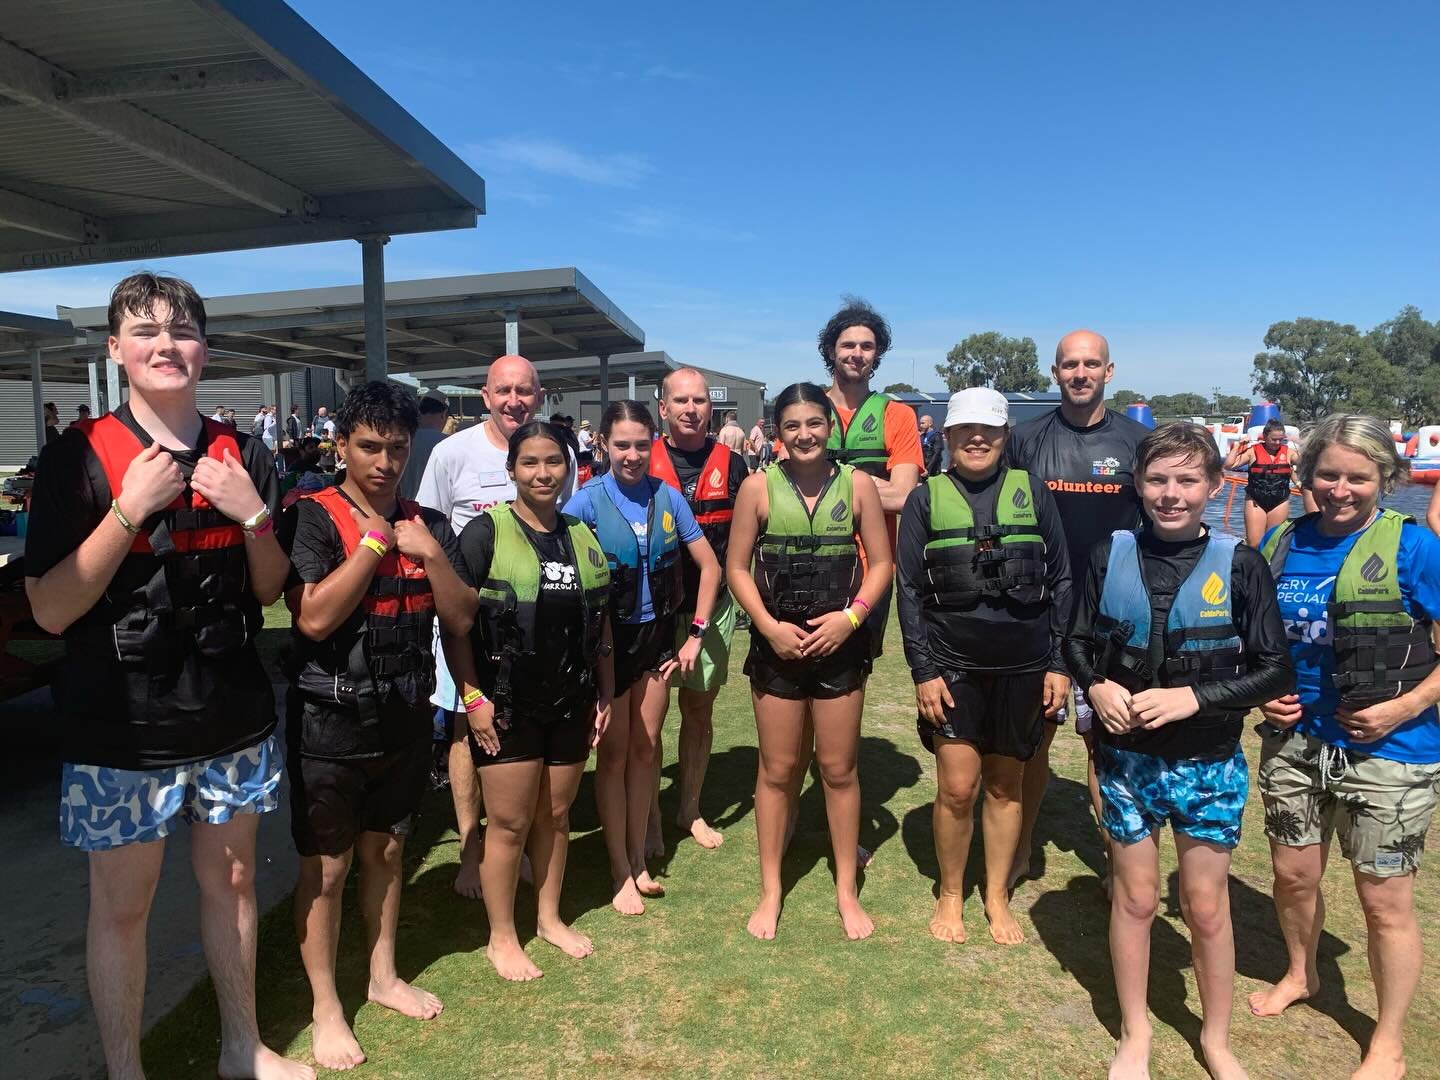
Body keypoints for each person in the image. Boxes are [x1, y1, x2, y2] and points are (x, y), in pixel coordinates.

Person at [24, 272, 310, 1080]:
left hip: (229, 714)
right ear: (115, 350)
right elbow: (48, 608)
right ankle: (126, 1070)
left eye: (181, 330)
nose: (165, 344)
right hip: (119, 726)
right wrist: (127, 510)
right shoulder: (74, 457)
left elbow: (266, 590)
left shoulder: (245, 453)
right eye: (144, 331)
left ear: (204, 350)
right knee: (122, 907)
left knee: (236, 881)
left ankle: (241, 1049)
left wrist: (253, 512)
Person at [1065, 422, 1292, 1080]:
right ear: (1138, 485)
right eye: (1158, 480)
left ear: (1214, 486)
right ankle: (1135, 1034)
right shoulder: (1110, 555)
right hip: (1127, 761)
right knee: (1135, 900)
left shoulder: (1242, 565)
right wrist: (1097, 683)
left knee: (1204, 905)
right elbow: (1078, 640)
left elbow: (1274, 670)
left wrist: (1197, 698)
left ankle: (1216, 1039)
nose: (1171, 494)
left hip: (1208, 763)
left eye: (1187, 480)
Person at [282, 382, 475, 1070]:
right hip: (329, 722)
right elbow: (312, 617)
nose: (385, 462)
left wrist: (428, 553)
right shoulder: (311, 516)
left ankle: (383, 974)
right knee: (327, 869)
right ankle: (326, 1005)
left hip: (404, 714)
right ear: (342, 446)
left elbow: (459, 617)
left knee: (388, 853)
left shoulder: (427, 524)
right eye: (369, 447)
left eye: (397, 448)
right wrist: (371, 544)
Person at [1250, 414, 1440, 1080]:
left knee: (1383, 899)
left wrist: (1406, 706)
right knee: (1293, 877)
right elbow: (1256, 639)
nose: (1340, 489)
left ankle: (1387, 1041)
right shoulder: (1279, 542)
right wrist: (1262, 692)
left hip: (1392, 749)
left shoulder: (1416, 550)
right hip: (1294, 743)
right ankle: (1302, 974)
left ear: (1383, 479)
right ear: (1307, 476)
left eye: (1357, 476)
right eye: (1328, 474)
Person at [897, 388, 1072, 946]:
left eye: (990, 430)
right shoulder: (926, 500)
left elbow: (1063, 580)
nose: (978, 438)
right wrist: (923, 671)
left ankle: (995, 894)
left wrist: (1060, 663)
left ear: (1005, 436)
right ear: (946, 437)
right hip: (951, 665)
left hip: (1024, 665)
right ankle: (951, 893)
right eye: (965, 429)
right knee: (956, 786)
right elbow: (908, 591)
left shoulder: (1034, 492)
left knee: (1006, 784)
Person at [443, 421, 615, 980]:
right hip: (506, 703)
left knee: (558, 816)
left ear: (570, 469)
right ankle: (501, 936)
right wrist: (472, 698)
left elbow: (601, 622)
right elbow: (457, 625)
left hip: (571, 698)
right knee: (510, 824)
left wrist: (605, 692)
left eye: (555, 463)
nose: (544, 474)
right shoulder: (484, 533)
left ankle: (548, 917)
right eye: (530, 463)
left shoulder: (580, 534)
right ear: (512, 470)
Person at [726, 382, 893, 941]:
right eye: (792, 425)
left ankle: (847, 890)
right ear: (777, 433)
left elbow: (880, 566)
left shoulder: (860, 485)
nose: (804, 435)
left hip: (838, 644)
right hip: (777, 645)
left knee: (839, 770)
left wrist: (852, 618)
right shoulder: (757, 487)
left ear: (831, 427)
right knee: (776, 772)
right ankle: (771, 890)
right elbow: (737, 569)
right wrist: (768, 628)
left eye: (814, 424)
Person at [417, 354, 575, 899]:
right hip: (467, 628)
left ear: (540, 395)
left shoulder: (556, 453)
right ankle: (470, 849)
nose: (514, 400)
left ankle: (522, 843)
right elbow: (430, 532)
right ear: (484, 396)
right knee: (465, 724)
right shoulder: (450, 453)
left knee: (528, 733)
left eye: (525, 391)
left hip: (536, 632)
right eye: (503, 390)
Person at [1006, 328, 1151, 892]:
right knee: (1034, 740)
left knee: (1105, 742)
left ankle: (1119, 864)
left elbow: (1161, 522)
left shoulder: (1139, 442)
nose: (1081, 373)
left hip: (1110, 615)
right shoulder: (1025, 439)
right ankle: (1020, 850)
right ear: (1055, 372)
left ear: (1109, 373)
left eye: (1092, 364)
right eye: (1071, 365)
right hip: (1039, 609)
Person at [563, 400, 721, 914]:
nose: (631, 455)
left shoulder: (668, 497)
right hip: (610, 644)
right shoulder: (586, 502)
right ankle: (620, 869)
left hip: (657, 640)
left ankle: (638, 857)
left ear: (653, 442)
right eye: (621, 445)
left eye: (640, 444)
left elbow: (711, 568)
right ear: (604, 444)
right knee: (613, 754)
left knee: (646, 747)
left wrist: (695, 634)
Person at [649, 368, 746, 849]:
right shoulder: (638, 460)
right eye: (680, 400)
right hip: (653, 614)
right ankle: (647, 816)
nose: (691, 409)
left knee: (698, 711)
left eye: (700, 400)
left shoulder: (734, 465)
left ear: (712, 407)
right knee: (649, 716)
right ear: (662, 408)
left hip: (714, 609)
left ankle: (689, 808)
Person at [1224, 418, 1294, 547]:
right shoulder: (1253, 451)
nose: (1277, 443)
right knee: (1255, 542)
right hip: (1255, 500)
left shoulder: (1289, 452)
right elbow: (1229, 465)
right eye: (1274, 439)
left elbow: (1308, 463)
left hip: (1280, 501)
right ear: (1265, 436)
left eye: (1281, 439)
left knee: (1273, 542)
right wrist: (1238, 446)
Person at [399, 390, 449, 500]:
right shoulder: (449, 444)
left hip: (405, 510)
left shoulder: (402, 440)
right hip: (435, 513)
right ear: (444, 414)